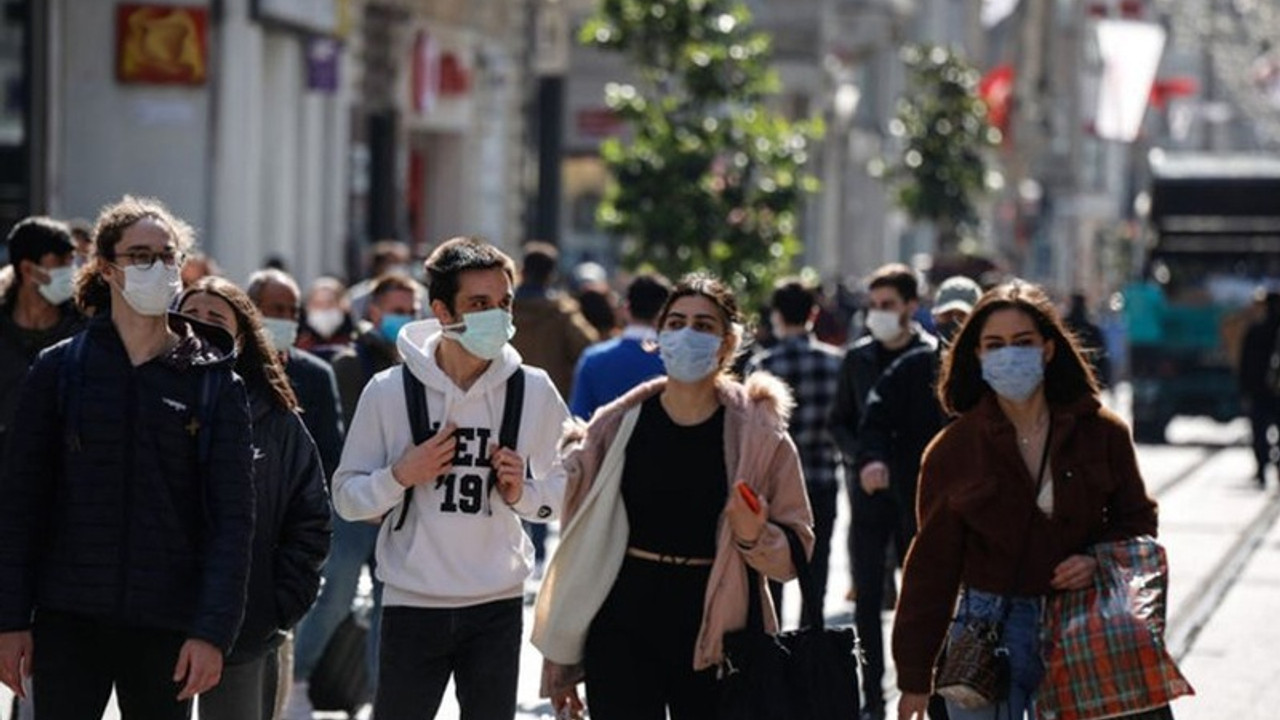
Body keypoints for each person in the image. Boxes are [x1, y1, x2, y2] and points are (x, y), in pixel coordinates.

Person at [0, 195, 254, 720]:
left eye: (168, 256)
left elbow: (232, 520)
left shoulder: (212, 382)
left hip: (167, 626)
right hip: (67, 619)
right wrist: (9, 620)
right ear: (105, 268)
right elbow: (21, 503)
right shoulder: (59, 371)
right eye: (141, 255)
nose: (158, 267)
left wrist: (212, 631)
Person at [534, 272, 815, 720]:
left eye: (703, 326)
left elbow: (794, 555)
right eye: (677, 322)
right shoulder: (616, 426)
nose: (688, 334)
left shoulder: (760, 438)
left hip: (716, 632)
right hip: (621, 622)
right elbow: (577, 537)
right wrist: (562, 663)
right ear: (658, 337)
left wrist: (753, 534)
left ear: (727, 343)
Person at [893, 280, 1159, 720]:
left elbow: (1139, 520)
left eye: (1022, 342)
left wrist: (1098, 559)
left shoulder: (1102, 432)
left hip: (1084, 622)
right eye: (994, 344)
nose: (1008, 354)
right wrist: (914, 676)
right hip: (987, 630)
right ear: (977, 355)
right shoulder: (953, 450)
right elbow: (931, 568)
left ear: (1048, 349)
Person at [331, 236, 570, 720]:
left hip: (496, 605)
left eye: (503, 303)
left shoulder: (533, 390)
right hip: (410, 603)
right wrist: (400, 475)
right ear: (441, 311)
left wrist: (524, 493)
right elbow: (346, 497)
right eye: (478, 304)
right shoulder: (389, 391)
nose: (496, 317)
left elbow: (571, 491)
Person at [177, 278, 332, 720]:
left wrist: (278, 602)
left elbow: (310, 518)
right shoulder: (150, 398)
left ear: (242, 335)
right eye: (190, 315)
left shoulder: (275, 417)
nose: (200, 327)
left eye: (215, 319)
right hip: (158, 621)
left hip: (245, 626)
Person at [285, 274, 416, 720]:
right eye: (398, 308)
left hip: (401, 501)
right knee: (334, 596)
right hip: (355, 505)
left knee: (390, 605)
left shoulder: (422, 364)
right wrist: (370, 494)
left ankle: (384, 697)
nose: (407, 317)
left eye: (412, 308)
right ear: (373, 312)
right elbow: (345, 442)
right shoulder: (350, 363)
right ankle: (297, 681)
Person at [856, 274, 981, 720]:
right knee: (929, 604)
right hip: (919, 512)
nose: (953, 329)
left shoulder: (994, 376)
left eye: (963, 320)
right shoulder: (911, 369)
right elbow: (872, 420)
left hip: (985, 529)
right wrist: (872, 459)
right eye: (947, 319)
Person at [829, 263, 936, 720]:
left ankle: (924, 683)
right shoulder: (858, 358)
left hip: (918, 498)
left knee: (922, 596)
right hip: (867, 496)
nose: (878, 314)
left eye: (888, 305)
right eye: (873, 306)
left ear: (912, 306)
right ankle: (872, 696)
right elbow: (840, 421)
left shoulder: (932, 357)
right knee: (868, 597)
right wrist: (861, 459)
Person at [743, 277, 843, 626]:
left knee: (773, 572)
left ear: (775, 315)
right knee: (816, 575)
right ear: (813, 314)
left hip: (773, 487)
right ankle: (812, 653)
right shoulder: (837, 364)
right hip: (822, 476)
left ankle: (777, 651)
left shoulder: (762, 365)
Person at [247, 269, 346, 478]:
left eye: (294, 311)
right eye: (277, 309)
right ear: (251, 309)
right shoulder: (232, 367)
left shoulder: (317, 374)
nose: (287, 318)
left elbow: (329, 455)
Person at [0, 217, 84, 465]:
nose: (71, 272)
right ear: (27, 269)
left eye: (72, 262)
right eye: (59, 262)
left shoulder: (82, 332)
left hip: (62, 477)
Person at [569, 272, 671, 420]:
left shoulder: (593, 358)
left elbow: (578, 419)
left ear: (626, 309)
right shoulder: (676, 361)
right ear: (665, 313)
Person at [511, 241, 600, 400]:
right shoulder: (562, 313)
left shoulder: (502, 310)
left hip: (506, 396)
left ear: (521, 271)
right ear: (551, 275)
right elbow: (588, 347)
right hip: (550, 398)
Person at [1239, 290, 1280, 487]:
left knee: (1259, 432)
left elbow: (1245, 364)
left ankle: (1262, 468)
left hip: (1259, 392)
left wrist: (1245, 390)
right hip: (1270, 393)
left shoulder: (1256, 330)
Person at [296, 276, 356, 361]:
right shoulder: (299, 344)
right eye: (318, 304)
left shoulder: (354, 342)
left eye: (330, 303)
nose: (324, 309)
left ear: (343, 306)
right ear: (308, 307)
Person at [1063, 292, 1111, 389]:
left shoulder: (1063, 327)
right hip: (1088, 380)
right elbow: (1102, 356)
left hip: (1066, 379)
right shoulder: (1092, 330)